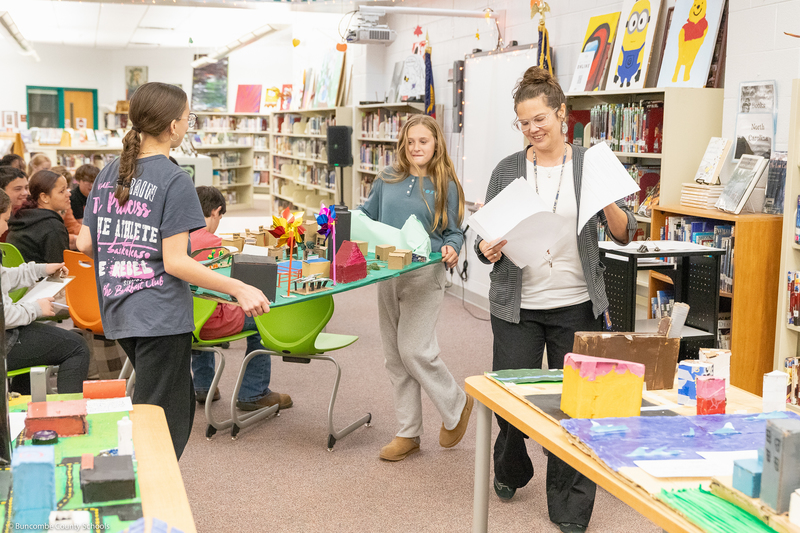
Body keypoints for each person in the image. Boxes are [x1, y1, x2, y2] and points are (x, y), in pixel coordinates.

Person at [474, 67, 636, 533]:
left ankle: (570, 510)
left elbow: (626, 235)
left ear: (562, 113)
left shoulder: (590, 163)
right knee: (512, 403)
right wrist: (489, 248)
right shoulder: (507, 168)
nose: (533, 129)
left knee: (575, 409)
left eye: (540, 118)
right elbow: (489, 241)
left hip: (577, 303)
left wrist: (608, 200)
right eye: (523, 123)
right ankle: (510, 467)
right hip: (516, 307)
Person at [76, 82, 270, 459]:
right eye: (188, 118)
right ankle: (145, 496)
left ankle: (135, 486)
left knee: (151, 406)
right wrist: (238, 287)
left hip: (118, 309)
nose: (188, 124)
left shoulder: (109, 172)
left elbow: (85, 243)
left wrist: (126, 244)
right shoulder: (174, 179)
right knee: (165, 422)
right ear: (172, 127)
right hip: (159, 316)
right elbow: (176, 262)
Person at [360, 114, 472, 462]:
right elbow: (367, 216)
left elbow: (454, 230)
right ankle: (408, 433)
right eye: (410, 142)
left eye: (422, 141)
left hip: (425, 275)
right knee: (395, 357)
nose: (415, 148)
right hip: (385, 274)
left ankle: (456, 402)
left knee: (414, 350)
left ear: (436, 143)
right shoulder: (386, 179)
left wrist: (453, 246)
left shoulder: (446, 185)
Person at [189, 185, 292, 410]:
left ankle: (204, 386)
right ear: (215, 212)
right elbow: (222, 290)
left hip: (186, 323)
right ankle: (253, 392)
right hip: (211, 322)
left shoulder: (176, 238)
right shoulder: (213, 244)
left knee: (197, 307)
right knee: (261, 316)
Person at [0, 189, 90, 393]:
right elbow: (4, 316)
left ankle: (28, 408)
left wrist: (40, 269)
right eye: (5, 219)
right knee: (77, 347)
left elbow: (5, 276)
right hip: (5, 340)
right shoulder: (52, 227)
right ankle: (70, 416)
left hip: (8, 333)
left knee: (43, 342)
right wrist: (36, 309)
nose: (7, 226)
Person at [7, 170, 71, 264]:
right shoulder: (53, 227)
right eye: (62, 191)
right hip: (42, 277)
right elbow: (61, 268)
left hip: (20, 277)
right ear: (44, 197)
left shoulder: (19, 218)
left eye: (67, 189)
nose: (69, 194)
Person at [69, 164, 99, 229]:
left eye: (94, 182)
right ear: (78, 181)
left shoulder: (99, 196)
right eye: (88, 181)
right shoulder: (73, 198)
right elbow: (81, 222)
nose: (91, 185)